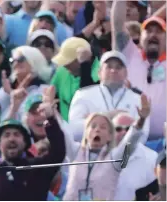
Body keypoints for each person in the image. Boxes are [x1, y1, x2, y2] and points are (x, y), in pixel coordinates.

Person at [0, 96, 66, 200]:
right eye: (6, 135)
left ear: (25, 142)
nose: (12, 139)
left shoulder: (37, 169)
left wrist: (51, 119)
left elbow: (58, 152)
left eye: (16, 134)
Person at [62, 92, 150, 200]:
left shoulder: (114, 158)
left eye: (103, 127)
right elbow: (61, 134)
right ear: (86, 132)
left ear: (109, 136)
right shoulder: (75, 151)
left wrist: (141, 120)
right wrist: (50, 115)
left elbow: (129, 142)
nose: (97, 130)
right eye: (93, 126)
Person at [111, 1, 166, 151]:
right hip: (128, 140)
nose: (153, 34)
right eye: (149, 31)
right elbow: (117, 24)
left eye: (159, 31)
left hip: (163, 145)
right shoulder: (129, 55)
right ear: (141, 38)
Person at [68, 51, 150, 142]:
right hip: (92, 152)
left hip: (126, 153)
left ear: (126, 73)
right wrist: (107, 116)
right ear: (99, 72)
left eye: (118, 67)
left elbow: (142, 136)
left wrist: (91, 120)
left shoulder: (137, 99)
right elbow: (75, 130)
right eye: (109, 67)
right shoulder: (83, 95)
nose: (113, 70)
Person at [112, 112, 158, 200]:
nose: (124, 132)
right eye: (118, 129)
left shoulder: (152, 158)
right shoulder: (101, 157)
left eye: (129, 129)